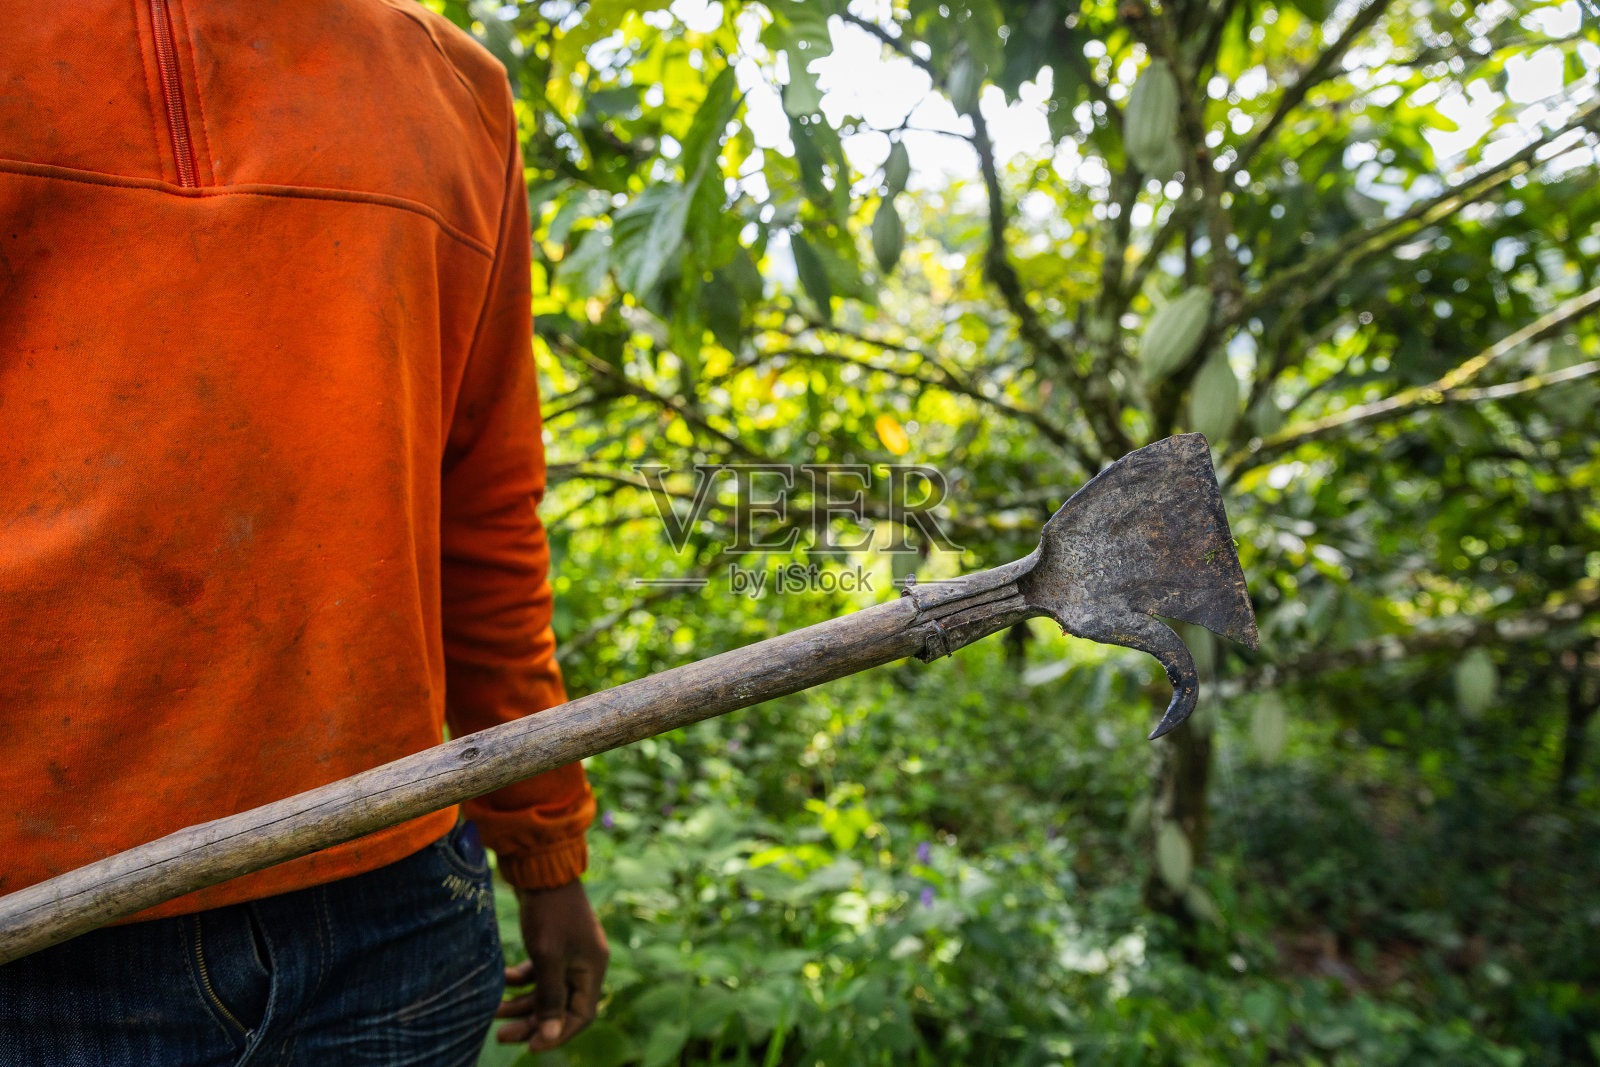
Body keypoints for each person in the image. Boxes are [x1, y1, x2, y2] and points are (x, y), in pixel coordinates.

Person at [0, 1, 608, 1062]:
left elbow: (483, 509)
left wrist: (545, 844)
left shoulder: (452, 87)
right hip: (38, 932)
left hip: (393, 906)